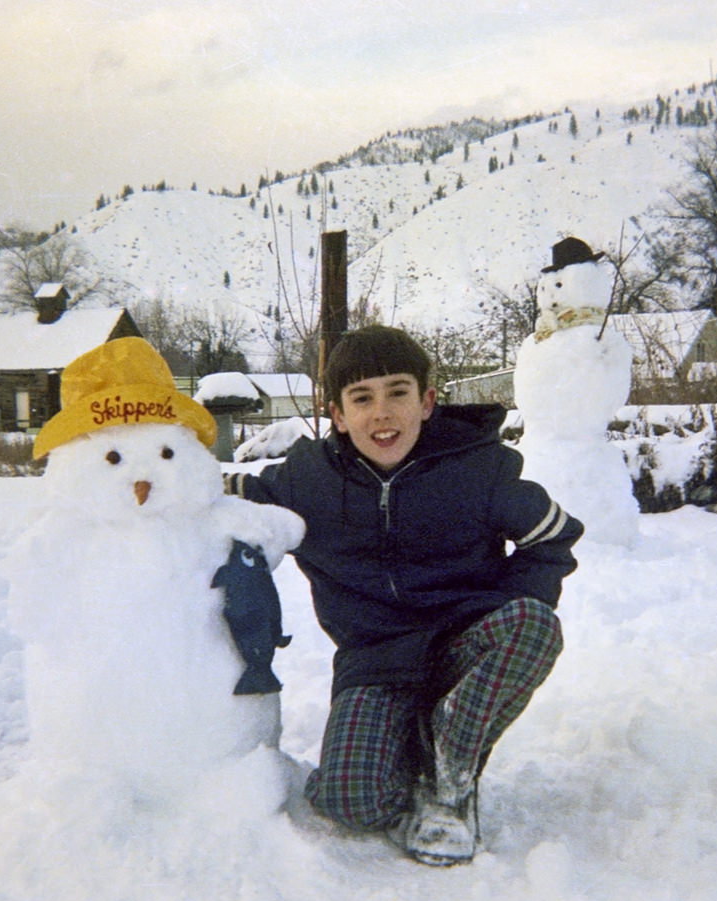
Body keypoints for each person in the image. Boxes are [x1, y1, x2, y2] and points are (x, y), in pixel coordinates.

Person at [225, 326, 583, 865]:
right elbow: (225, 501)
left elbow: (552, 539)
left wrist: (500, 602)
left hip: (466, 652)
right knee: (349, 801)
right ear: (338, 415)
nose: (382, 413)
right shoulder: (308, 481)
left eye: (398, 392)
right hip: (377, 665)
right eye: (362, 398)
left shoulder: (480, 470)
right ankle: (411, 753)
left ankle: (449, 776)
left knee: (532, 625)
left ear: (427, 401)